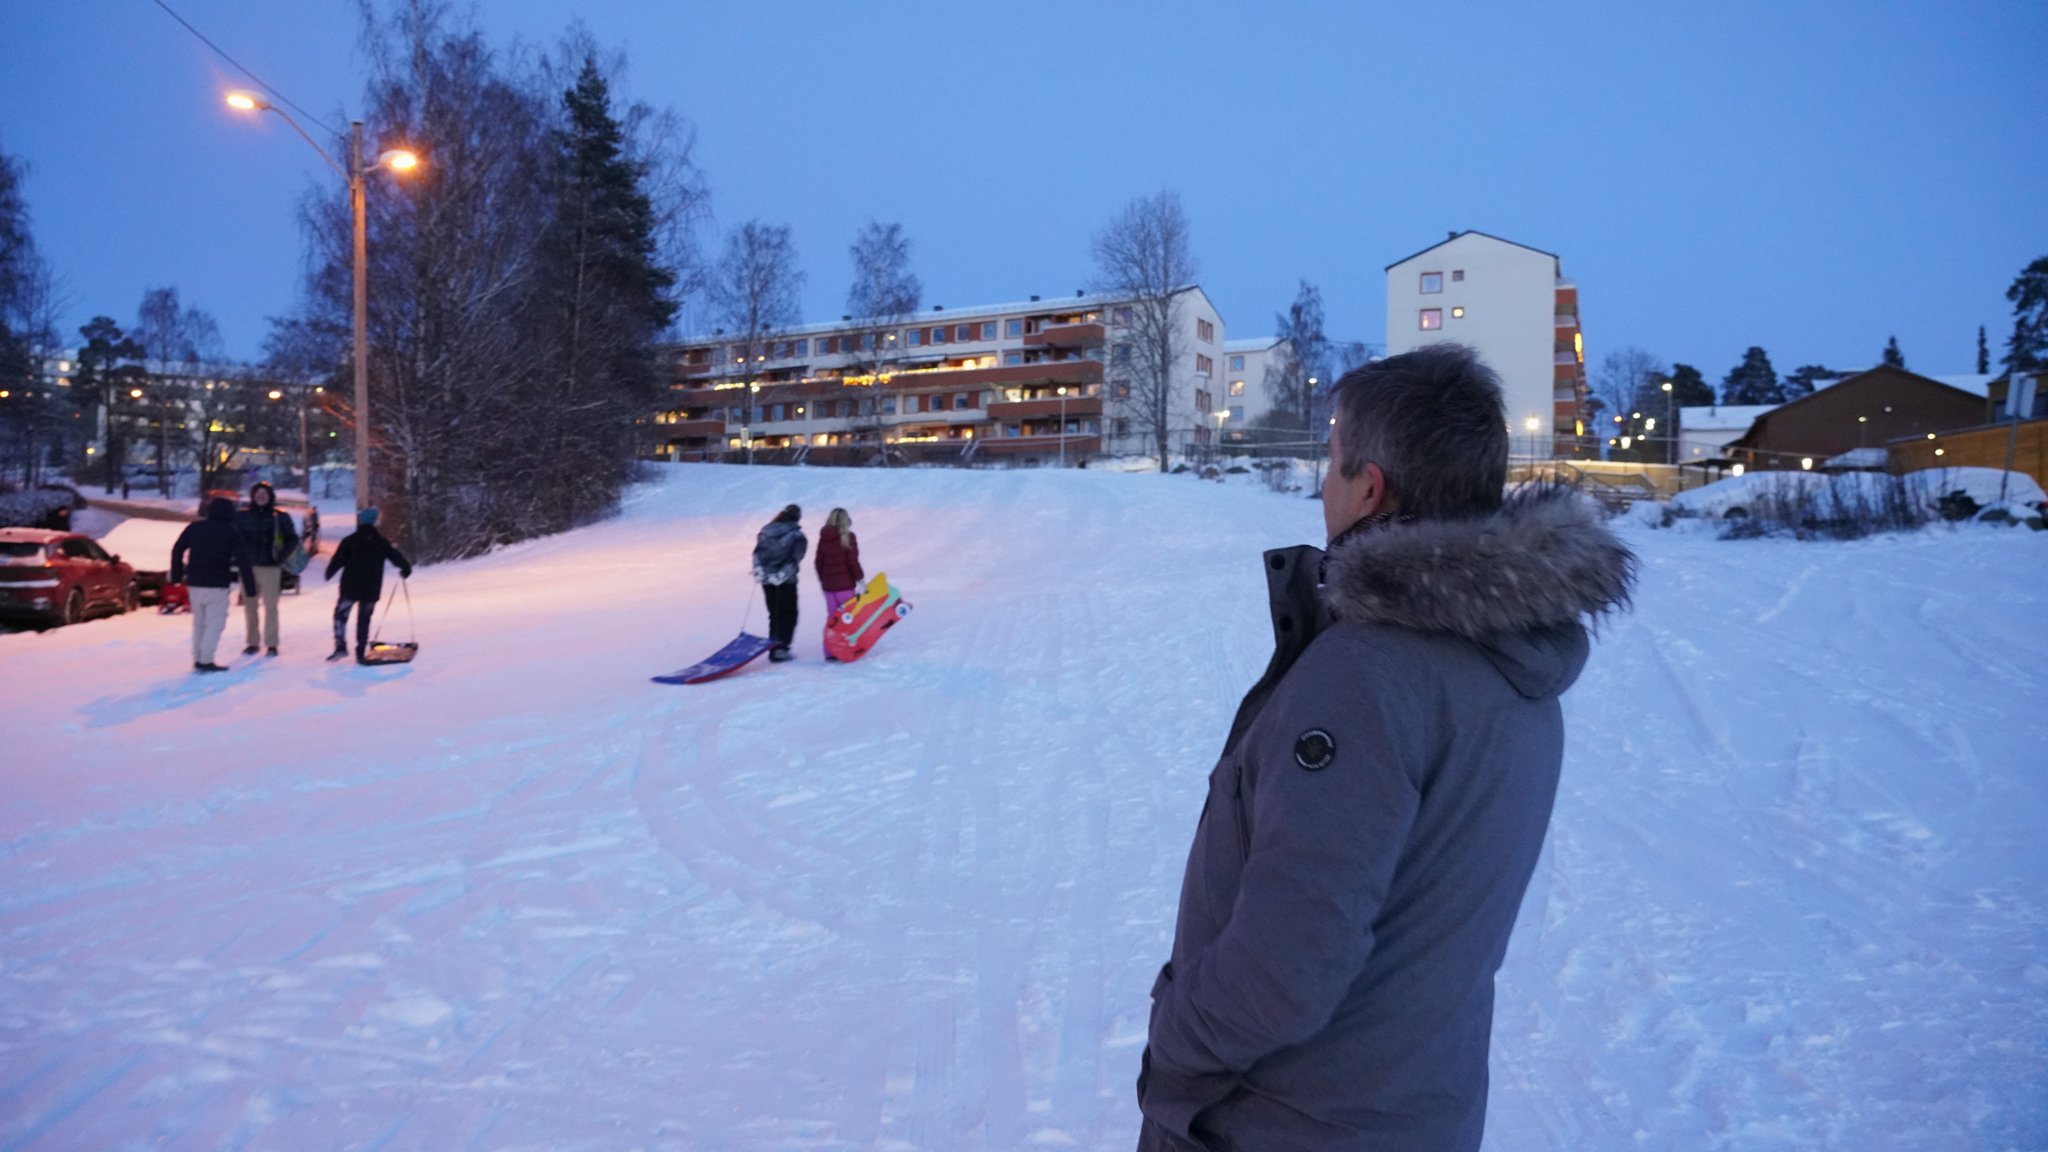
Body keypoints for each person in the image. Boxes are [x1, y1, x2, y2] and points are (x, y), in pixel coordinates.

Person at [1136, 345, 1636, 1151]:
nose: (1322, 486)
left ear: (1371, 486)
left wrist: (1175, 1045)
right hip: (1417, 1114)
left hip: (1279, 1125)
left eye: (1333, 464)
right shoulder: (1515, 660)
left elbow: (1284, 969)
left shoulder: (1367, 674)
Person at [169, 496, 256, 673]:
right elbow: (243, 561)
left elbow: (177, 549)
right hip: (217, 584)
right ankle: (206, 660)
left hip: (194, 582)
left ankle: (198, 657)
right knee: (215, 623)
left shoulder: (195, 528)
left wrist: (177, 576)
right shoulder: (231, 532)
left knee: (199, 622)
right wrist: (250, 587)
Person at [324, 506, 412, 664]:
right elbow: (395, 556)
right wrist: (405, 568)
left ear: (360, 521)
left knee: (340, 615)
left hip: (349, 588)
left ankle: (341, 647)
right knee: (364, 619)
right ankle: (360, 650)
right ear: (374, 523)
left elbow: (337, 560)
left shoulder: (349, 541)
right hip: (371, 589)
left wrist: (329, 573)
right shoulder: (381, 542)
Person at [235, 481, 300, 657]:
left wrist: (280, 557)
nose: (261, 497)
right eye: (258, 494)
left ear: (270, 496)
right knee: (250, 606)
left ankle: (272, 644)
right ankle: (252, 642)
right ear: (253, 497)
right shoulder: (242, 517)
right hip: (248, 567)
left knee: (271, 606)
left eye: (264, 494)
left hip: (271, 567)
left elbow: (292, 539)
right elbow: (234, 539)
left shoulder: (279, 517)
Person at [752, 504, 806, 663]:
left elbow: (757, 554)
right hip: (785, 581)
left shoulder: (766, 531)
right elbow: (794, 560)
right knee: (789, 613)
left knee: (774, 613)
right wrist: (781, 575)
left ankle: (774, 647)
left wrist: (759, 571)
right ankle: (781, 648)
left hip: (767, 580)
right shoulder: (797, 536)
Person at [813, 506, 864, 621]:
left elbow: (818, 562)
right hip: (845, 586)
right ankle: (849, 639)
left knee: (833, 619)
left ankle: (832, 639)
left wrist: (824, 579)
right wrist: (860, 579)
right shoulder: (849, 537)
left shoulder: (824, 538)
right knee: (849, 618)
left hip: (828, 587)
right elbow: (852, 562)